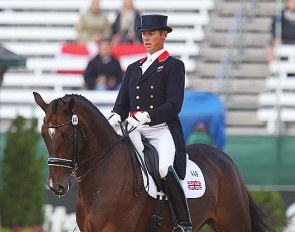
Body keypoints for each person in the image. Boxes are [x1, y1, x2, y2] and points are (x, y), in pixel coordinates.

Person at [108, 14, 192, 232]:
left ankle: (183, 222)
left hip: (160, 129)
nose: (146, 38)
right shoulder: (134, 67)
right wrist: (115, 116)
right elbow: (121, 104)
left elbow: (174, 105)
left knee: (164, 168)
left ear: (164, 36)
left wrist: (147, 116)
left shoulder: (173, 65)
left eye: (151, 34)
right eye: (144, 34)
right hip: (134, 130)